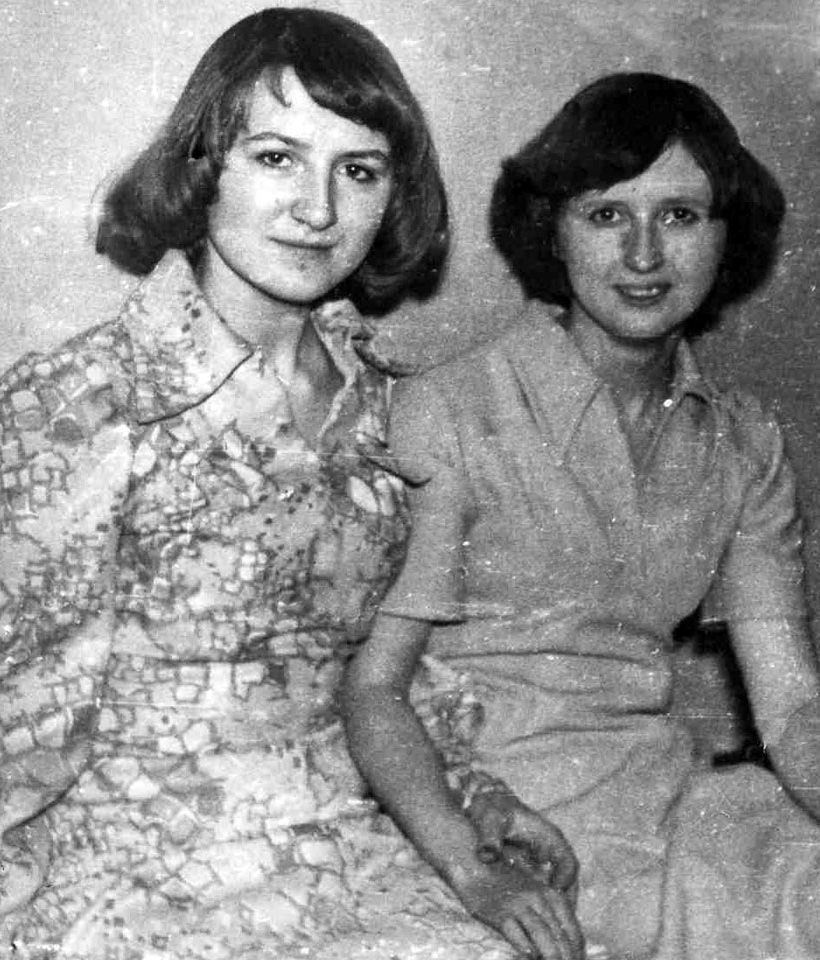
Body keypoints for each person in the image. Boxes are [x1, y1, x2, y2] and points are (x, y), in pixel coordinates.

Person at [0, 9, 522, 959]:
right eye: (277, 158)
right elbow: (13, 713)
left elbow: (381, 680)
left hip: (350, 854)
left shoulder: (387, 411)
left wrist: (478, 808)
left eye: (358, 171)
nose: (318, 209)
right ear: (203, 169)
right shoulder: (81, 404)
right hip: (133, 872)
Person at [344, 72, 820, 960]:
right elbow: (372, 689)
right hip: (505, 817)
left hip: (675, 804)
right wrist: (471, 860)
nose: (642, 255)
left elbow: (791, 708)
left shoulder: (743, 443)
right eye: (605, 215)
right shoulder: (448, 410)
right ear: (553, 231)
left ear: (726, 235)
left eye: (679, 215)